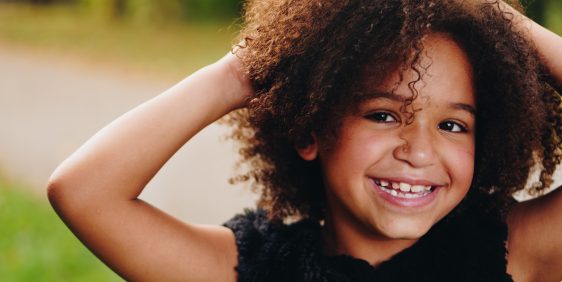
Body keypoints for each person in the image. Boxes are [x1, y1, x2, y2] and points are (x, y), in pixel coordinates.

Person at [47, 0, 562, 281]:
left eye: (453, 125)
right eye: (383, 115)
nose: (420, 151)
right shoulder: (249, 271)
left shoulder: (513, 255)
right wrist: (245, 71)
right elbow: (84, 192)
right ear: (309, 130)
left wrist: (493, 13)